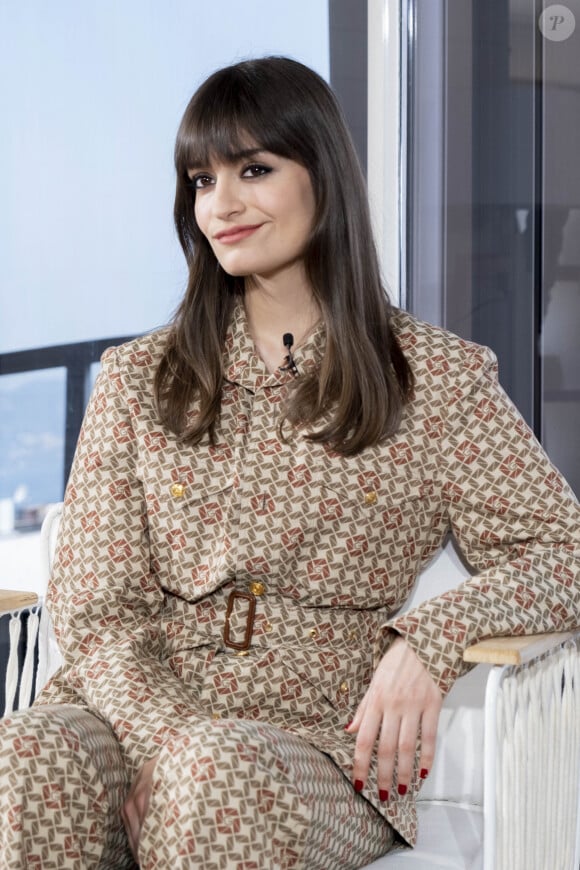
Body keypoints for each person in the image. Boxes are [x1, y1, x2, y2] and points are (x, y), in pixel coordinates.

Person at [1, 55, 579, 870]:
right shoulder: (139, 378)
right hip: (138, 713)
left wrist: (430, 640)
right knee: (22, 754)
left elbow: (564, 550)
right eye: (201, 180)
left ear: (324, 177)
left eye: (255, 170)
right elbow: (98, 610)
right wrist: (168, 742)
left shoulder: (437, 381)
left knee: (215, 775)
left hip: (315, 744)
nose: (221, 204)